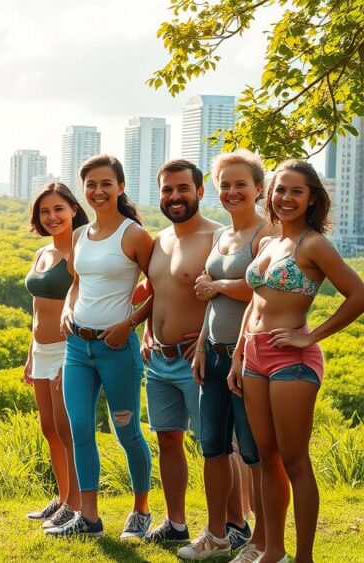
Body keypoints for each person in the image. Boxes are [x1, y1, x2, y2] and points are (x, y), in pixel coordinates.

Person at [230, 160, 364, 563]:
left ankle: (303, 558)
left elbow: (358, 295)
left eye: (296, 191)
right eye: (279, 190)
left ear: (311, 200)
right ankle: (274, 552)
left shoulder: (313, 244)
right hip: (253, 356)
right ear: (268, 194)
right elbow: (255, 302)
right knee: (267, 458)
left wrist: (312, 334)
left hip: (292, 360)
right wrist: (238, 355)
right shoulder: (270, 243)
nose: (285, 198)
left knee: (294, 460)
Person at [48, 154, 154, 539]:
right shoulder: (79, 236)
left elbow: (161, 289)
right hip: (78, 348)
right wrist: (66, 309)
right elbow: (77, 282)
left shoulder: (134, 235)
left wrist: (128, 323)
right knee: (80, 430)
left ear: (120, 187)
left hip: (117, 349)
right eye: (91, 184)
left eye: (106, 183)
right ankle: (89, 518)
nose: (98, 191)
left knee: (126, 431)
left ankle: (141, 510)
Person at [182, 150, 270, 561]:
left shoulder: (265, 235)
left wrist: (217, 286)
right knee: (212, 448)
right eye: (225, 184)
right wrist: (201, 345)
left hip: (249, 359)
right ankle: (216, 536)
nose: (232, 191)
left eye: (241, 184)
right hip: (214, 356)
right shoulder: (223, 236)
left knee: (253, 454)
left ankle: (261, 543)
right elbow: (209, 295)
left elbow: (262, 292)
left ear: (257, 188)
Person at [139, 160, 221, 545]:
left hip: (197, 361)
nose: (174, 197)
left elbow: (236, 297)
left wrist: (206, 341)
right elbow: (156, 291)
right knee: (167, 440)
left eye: (182, 189)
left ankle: (231, 527)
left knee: (217, 446)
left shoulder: (217, 237)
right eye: (167, 190)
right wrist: (144, 332)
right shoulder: (159, 240)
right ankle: (175, 524)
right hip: (158, 360)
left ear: (200, 192)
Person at [23, 183, 88, 529]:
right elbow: (36, 308)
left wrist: (74, 357)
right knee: (49, 428)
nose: (52, 217)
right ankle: (63, 498)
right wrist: (30, 353)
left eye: (59, 209)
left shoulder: (80, 252)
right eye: (45, 211)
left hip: (68, 350)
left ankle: (76, 506)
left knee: (68, 430)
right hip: (41, 350)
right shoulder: (43, 253)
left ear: (74, 210)